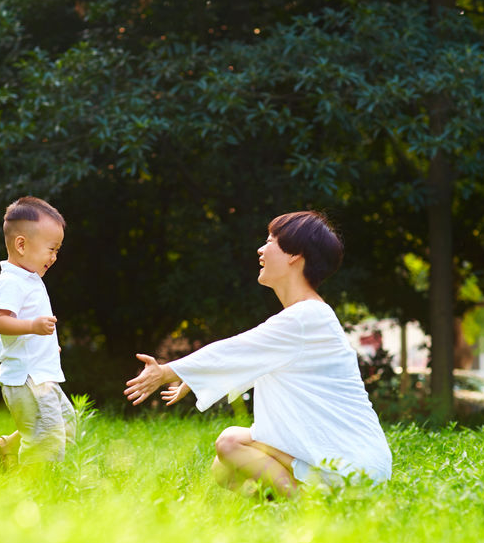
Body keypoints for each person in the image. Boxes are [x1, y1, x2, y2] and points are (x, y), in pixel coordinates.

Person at [125, 211, 392, 497]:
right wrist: (196, 376)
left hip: (354, 468)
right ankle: (299, 503)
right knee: (223, 467)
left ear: (295, 255)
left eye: (270, 241)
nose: (261, 250)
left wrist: (167, 371)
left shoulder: (305, 317)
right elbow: (251, 359)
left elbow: (237, 349)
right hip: (355, 467)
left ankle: (303, 508)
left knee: (230, 443)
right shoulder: (307, 317)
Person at [0, 196, 75, 470]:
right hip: (26, 380)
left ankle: (10, 446)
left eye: (58, 250)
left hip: (40, 376)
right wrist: (34, 327)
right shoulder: (12, 281)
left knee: (67, 422)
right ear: (21, 244)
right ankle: (34, 487)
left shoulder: (29, 279)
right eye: (51, 248)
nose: (54, 257)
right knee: (48, 437)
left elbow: (28, 331)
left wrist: (46, 344)